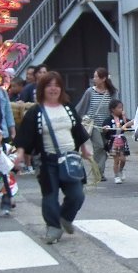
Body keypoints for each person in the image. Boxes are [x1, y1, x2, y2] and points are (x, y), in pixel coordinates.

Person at [13, 70, 93, 244]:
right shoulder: (35, 112)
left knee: (77, 195)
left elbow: (78, 130)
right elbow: (25, 135)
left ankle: (65, 217)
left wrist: (85, 149)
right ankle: (53, 227)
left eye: (57, 85)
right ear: (42, 88)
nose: (53, 89)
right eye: (49, 85)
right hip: (47, 161)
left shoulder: (68, 108)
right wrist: (19, 154)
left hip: (70, 159)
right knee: (50, 196)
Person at [75, 67, 117, 180]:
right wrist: (74, 117)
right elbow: (81, 106)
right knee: (99, 146)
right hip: (93, 124)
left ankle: (99, 171)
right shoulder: (90, 91)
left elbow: (115, 108)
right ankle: (98, 173)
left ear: (103, 79)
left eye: (96, 77)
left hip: (107, 125)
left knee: (105, 148)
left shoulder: (112, 93)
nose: (94, 79)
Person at [102, 99, 132, 184]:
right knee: (116, 159)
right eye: (119, 108)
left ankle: (120, 170)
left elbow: (128, 125)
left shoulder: (122, 119)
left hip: (122, 140)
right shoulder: (108, 119)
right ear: (112, 109)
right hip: (113, 140)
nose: (121, 110)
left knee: (123, 159)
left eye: (122, 108)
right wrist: (106, 129)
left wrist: (124, 117)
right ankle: (116, 176)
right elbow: (104, 128)